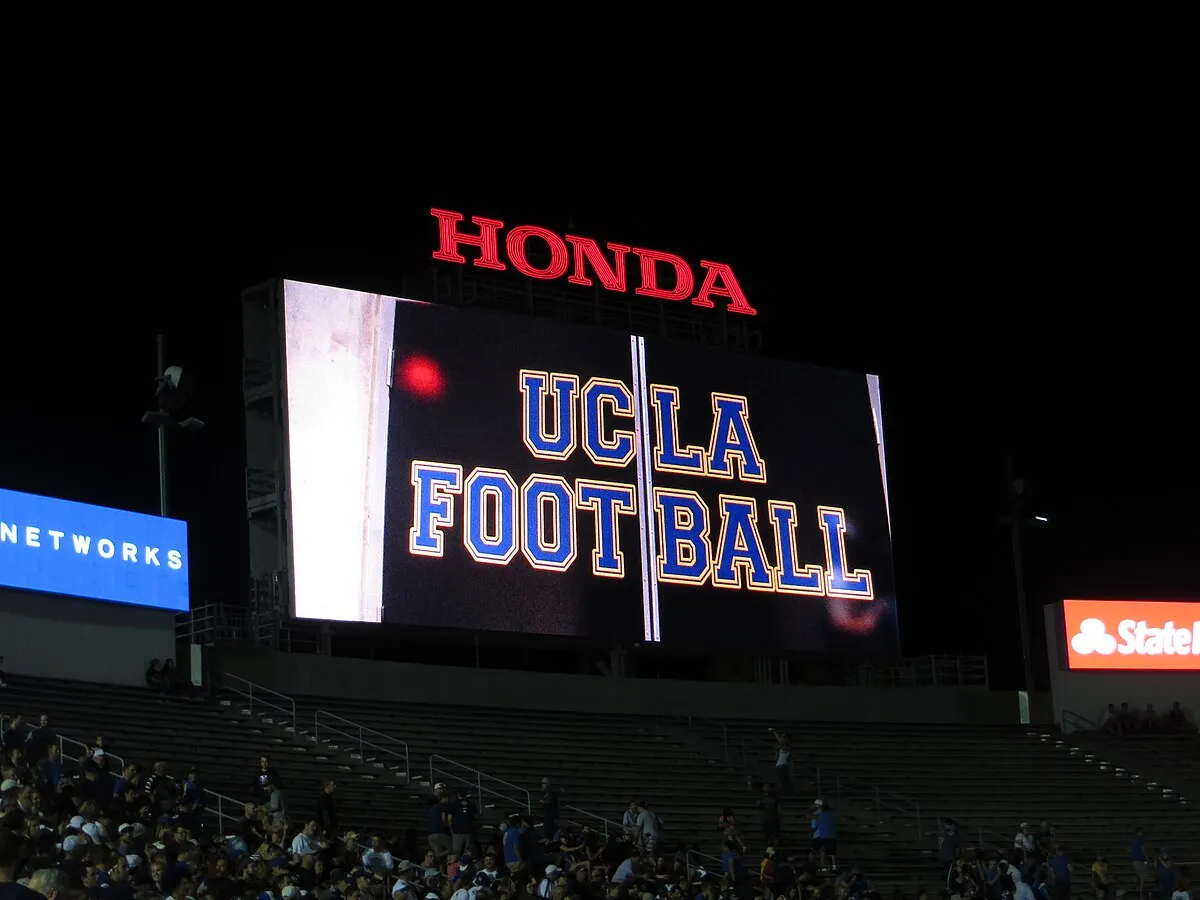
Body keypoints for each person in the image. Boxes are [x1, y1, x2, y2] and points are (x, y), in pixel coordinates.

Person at [770, 729, 792, 796]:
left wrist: (775, 732)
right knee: (782, 780)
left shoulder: (786, 746)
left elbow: (780, 741)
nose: (782, 739)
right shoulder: (783, 746)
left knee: (783, 781)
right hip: (780, 765)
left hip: (782, 766)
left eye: (783, 738)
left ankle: (786, 793)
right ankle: (785, 792)